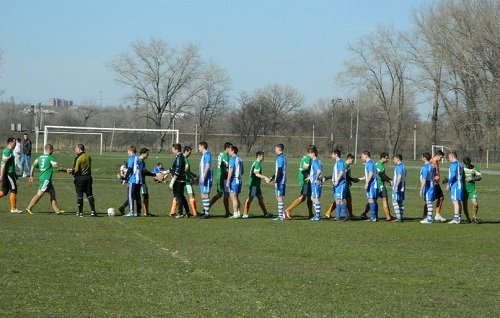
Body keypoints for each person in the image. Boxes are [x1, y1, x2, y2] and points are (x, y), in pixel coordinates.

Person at [25, 144, 64, 214]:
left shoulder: (39, 157)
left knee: (53, 194)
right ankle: (28, 208)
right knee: (39, 194)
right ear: (50, 149)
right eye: (52, 149)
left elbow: (33, 166)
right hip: (46, 179)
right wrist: (65, 170)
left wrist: (31, 176)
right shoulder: (50, 157)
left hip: (44, 178)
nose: (53, 151)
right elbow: (56, 167)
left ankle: (57, 210)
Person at [118, 148, 157, 217]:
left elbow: (131, 169)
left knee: (131, 196)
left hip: (134, 181)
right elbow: (143, 171)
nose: (148, 155)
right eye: (147, 154)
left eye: (128, 151)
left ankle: (131, 212)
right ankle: (138, 212)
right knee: (137, 196)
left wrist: (125, 179)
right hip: (139, 181)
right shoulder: (140, 160)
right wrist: (154, 174)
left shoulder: (133, 159)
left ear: (131, 151)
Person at [284, 145, 315, 219]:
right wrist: (308, 176)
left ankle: (311, 214)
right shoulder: (307, 159)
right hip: (305, 180)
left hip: (307, 180)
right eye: (315, 152)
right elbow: (303, 170)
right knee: (303, 197)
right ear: (311, 152)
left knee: (309, 196)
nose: (316, 153)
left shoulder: (308, 158)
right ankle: (287, 210)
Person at [324, 153, 359, 219]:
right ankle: (330, 212)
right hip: (342, 185)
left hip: (346, 185)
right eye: (353, 160)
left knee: (347, 199)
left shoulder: (347, 166)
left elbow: (346, 176)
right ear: (349, 159)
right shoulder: (344, 165)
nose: (353, 161)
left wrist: (351, 180)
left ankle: (349, 215)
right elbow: (338, 174)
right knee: (339, 199)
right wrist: (353, 179)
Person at [68, 144, 97, 217]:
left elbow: (77, 170)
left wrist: (70, 171)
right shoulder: (88, 157)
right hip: (88, 178)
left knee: (80, 194)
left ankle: (80, 212)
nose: (75, 150)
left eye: (76, 149)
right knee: (89, 194)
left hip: (80, 179)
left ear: (79, 149)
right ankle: (93, 211)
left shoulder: (78, 158)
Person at [243, 151, 271, 218]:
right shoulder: (257, 163)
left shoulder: (257, 163)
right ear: (258, 156)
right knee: (250, 198)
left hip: (257, 185)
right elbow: (256, 174)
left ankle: (265, 213)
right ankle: (245, 214)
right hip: (254, 185)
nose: (264, 157)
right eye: (262, 156)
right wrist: (265, 177)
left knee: (260, 198)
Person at [0, 137, 22, 213]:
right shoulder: (7, 151)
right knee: (13, 190)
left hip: (10, 173)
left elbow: (10, 164)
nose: (15, 144)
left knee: (4, 191)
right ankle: (13, 209)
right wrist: (1, 175)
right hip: (9, 174)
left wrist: (15, 174)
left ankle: (13, 208)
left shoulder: (10, 151)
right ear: (11, 142)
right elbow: (3, 164)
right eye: (15, 143)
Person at [423, 150, 446, 222]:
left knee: (440, 198)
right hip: (432, 184)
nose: (441, 159)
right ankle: (425, 215)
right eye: (441, 157)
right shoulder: (432, 162)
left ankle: (436, 215)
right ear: (437, 156)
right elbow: (428, 173)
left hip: (436, 183)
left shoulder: (436, 162)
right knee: (429, 200)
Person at [210, 142, 232, 217]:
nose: (231, 150)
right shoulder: (225, 156)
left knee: (226, 194)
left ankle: (227, 212)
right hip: (223, 178)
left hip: (222, 177)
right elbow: (226, 169)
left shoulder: (222, 154)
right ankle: (207, 208)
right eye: (230, 148)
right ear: (227, 148)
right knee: (220, 194)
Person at [169, 143, 190, 218]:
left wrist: (173, 180)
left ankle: (180, 213)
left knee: (178, 197)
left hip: (179, 181)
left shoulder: (179, 157)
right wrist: (164, 173)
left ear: (176, 149)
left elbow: (177, 170)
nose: (172, 151)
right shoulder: (179, 157)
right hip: (179, 180)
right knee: (181, 196)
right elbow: (172, 168)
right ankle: (187, 212)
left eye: (173, 149)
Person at [447, 151, 465, 224]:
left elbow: (454, 175)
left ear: (452, 157)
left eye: (449, 157)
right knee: (458, 201)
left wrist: (448, 183)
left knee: (455, 201)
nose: (448, 159)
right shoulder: (460, 164)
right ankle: (459, 217)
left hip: (455, 185)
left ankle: (456, 218)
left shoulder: (454, 165)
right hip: (460, 185)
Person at [462, 156, 481, 224]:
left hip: (471, 189)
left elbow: (479, 177)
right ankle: (468, 219)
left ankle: (474, 218)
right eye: (466, 164)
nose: (467, 165)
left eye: (468, 164)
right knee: (464, 205)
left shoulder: (474, 168)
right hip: (463, 189)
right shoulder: (461, 167)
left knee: (475, 204)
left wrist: (472, 179)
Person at [360, 150, 378, 222]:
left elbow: (370, 173)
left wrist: (367, 183)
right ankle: (375, 217)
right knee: (373, 200)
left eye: (362, 156)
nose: (361, 157)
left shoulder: (370, 163)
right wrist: (360, 179)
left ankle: (373, 218)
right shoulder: (371, 162)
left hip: (372, 184)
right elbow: (369, 174)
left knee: (371, 200)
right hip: (373, 184)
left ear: (366, 155)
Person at [331, 149, 349, 221]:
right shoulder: (337, 162)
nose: (331, 155)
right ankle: (337, 217)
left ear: (336, 155)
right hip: (337, 185)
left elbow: (341, 172)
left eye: (332, 154)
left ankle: (346, 216)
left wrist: (337, 181)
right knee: (337, 200)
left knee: (341, 200)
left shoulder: (340, 162)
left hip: (341, 184)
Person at [226, 145, 243, 219]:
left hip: (234, 180)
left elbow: (231, 170)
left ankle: (235, 214)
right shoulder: (240, 159)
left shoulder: (232, 159)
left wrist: (228, 180)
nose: (228, 152)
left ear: (233, 151)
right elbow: (242, 171)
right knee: (236, 197)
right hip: (239, 179)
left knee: (233, 197)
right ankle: (238, 212)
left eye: (229, 150)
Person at [420, 152, 436, 224]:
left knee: (428, 202)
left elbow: (424, 179)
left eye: (422, 156)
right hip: (432, 185)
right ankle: (428, 217)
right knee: (428, 201)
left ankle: (429, 219)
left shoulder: (425, 167)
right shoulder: (432, 165)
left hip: (428, 186)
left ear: (424, 158)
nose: (421, 158)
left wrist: (421, 189)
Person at [273, 143, 287, 221]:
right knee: (278, 196)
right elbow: (278, 170)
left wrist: (277, 181)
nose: (275, 150)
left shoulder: (280, 158)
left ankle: (280, 216)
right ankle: (283, 214)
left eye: (275, 148)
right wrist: (272, 177)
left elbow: (280, 170)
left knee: (279, 197)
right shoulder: (282, 157)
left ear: (279, 148)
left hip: (280, 180)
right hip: (281, 179)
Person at [198, 141, 212, 219]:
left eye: (199, 146)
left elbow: (207, 165)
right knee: (203, 195)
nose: (198, 148)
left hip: (206, 178)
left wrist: (204, 176)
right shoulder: (204, 155)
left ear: (203, 146)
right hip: (203, 178)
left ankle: (207, 214)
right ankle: (205, 212)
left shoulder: (207, 154)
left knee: (205, 195)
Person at [308, 147, 323, 221]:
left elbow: (319, 171)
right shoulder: (317, 161)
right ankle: (316, 215)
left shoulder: (315, 162)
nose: (308, 155)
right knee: (312, 198)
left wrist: (317, 178)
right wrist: (310, 177)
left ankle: (318, 216)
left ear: (313, 154)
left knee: (316, 198)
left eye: (309, 153)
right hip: (313, 182)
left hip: (316, 183)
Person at [391, 154, 406, 222]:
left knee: (394, 201)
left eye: (394, 159)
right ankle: (401, 216)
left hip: (398, 186)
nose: (393, 161)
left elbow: (399, 176)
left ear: (397, 159)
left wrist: (396, 186)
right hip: (402, 186)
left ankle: (398, 217)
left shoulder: (399, 166)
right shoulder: (403, 166)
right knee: (400, 202)